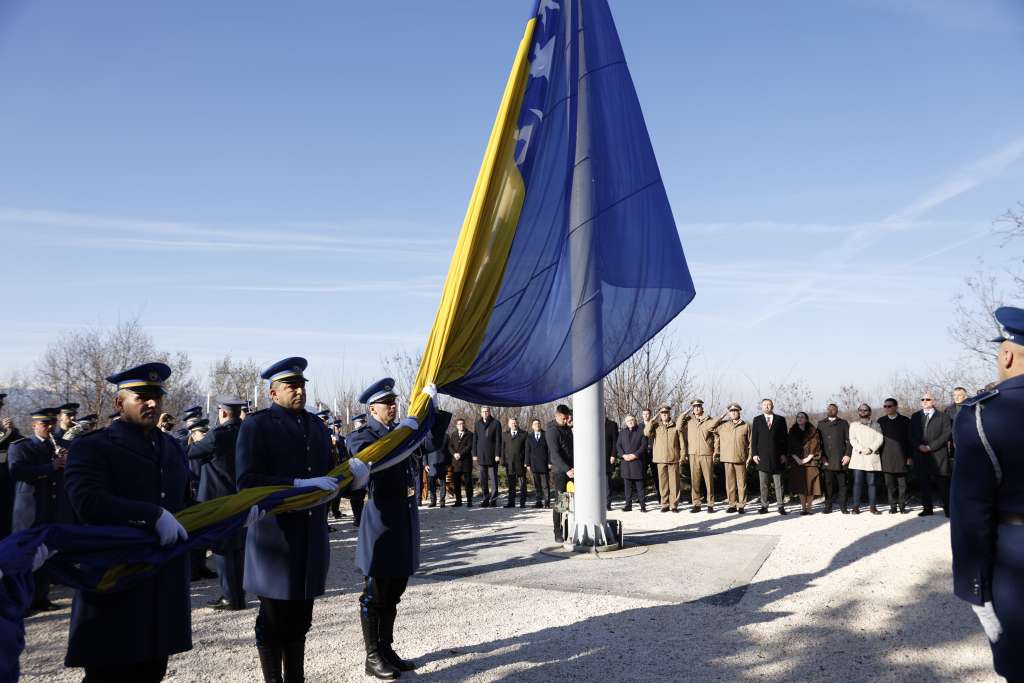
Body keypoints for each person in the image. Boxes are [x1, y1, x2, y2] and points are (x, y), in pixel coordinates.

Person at [63, 362, 193, 682]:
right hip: (116, 580)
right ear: (120, 403)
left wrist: (235, 515)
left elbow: (186, 506)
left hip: (161, 583)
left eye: (156, 397)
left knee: (152, 672)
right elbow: (87, 502)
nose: (152, 403)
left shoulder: (172, 447)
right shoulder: (93, 446)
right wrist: (152, 514)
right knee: (109, 674)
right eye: (141, 397)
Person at [236, 357, 348, 683]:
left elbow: (328, 475)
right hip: (275, 539)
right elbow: (246, 481)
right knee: (273, 620)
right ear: (273, 393)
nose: (299, 391)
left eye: (301, 385)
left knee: (300, 620)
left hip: (310, 537)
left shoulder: (316, 426)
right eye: (291, 386)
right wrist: (295, 485)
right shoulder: (257, 426)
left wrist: (351, 477)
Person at [950, 306, 1024, 682]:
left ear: (1007, 355)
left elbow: (970, 512)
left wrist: (974, 588)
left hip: (1016, 562)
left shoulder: (981, 414)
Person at [346, 378, 427, 680]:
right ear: (372, 409)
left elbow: (431, 443)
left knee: (395, 588)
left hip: (403, 517)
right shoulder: (362, 436)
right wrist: (404, 434)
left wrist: (431, 410)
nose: (392, 407)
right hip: (380, 519)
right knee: (375, 591)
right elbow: (375, 456)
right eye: (386, 403)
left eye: (394, 402)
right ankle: (372, 656)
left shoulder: (400, 432)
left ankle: (386, 649)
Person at [188, 396, 249, 610]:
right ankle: (239, 596)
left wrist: (195, 438)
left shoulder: (217, 435)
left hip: (218, 501)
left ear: (222, 413)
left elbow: (191, 453)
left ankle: (229, 597)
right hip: (242, 498)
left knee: (222, 548)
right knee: (238, 548)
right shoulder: (247, 432)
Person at [9, 406, 68, 612]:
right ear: (34, 425)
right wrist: (51, 467)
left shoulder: (57, 445)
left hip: (50, 508)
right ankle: (23, 602)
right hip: (30, 509)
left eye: (52, 423)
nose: (50, 427)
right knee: (27, 556)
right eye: (45, 424)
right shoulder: (21, 447)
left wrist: (65, 462)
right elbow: (17, 472)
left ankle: (42, 598)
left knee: (46, 554)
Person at [910, 392, 953, 517]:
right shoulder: (915, 416)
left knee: (943, 484)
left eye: (927, 399)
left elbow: (946, 434)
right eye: (922, 399)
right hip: (920, 455)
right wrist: (919, 446)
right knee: (924, 484)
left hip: (938, 455)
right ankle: (927, 509)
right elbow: (911, 435)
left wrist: (930, 447)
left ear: (933, 401)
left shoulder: (943, 416)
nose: (924, 401)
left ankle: (949, 510)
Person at [680, 399, 723, 513]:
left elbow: (716, 436)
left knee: (709, 480)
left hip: (706, 453)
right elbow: (678, 426)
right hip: (693, 454)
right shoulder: (689, 421)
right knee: (695, 481)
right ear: (692, 409)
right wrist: (685, 413)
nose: (697, 408)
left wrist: (716, 450)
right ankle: (696, 504)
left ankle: (710, 504)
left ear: (702, 408)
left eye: (698, 406)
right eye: (694, 407)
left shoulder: (708, 420)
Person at [751, 399, 788, 515]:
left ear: (772, 406)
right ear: (761, 407)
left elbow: (785, 438)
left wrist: (784, 454)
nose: (767, 406)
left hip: (778, 457)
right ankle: (764, 506)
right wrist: (754, 454)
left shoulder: (780, 420)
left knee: (779, 484)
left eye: (769, 404)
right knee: (763, 485)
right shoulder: (757, 420)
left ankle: (780, 506)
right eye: (764, 405)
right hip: (762, 458)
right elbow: (754, 439)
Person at [644, 404, 682, 513]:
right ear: (659, 415)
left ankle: (674, 505)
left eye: (666, 413)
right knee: (663, 483)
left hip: (673, 458)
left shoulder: (675, 426)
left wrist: (683, 455)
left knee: (674, 483)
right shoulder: (656, 426)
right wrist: (652, 420)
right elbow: (646, 433)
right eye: (662, 413)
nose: (664, 415)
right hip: (660, 459)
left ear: (669, 414)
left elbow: (681, 441)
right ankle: (664, 504)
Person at [877, 398, 912, 514]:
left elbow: (910, 440)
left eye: (889, 406)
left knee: (903, 484)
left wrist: (909, 456)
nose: (886, 408)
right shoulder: (880, 421)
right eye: (885, 406)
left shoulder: (905, 420)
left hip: (902, 457)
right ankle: (892, 506)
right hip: (886, 457)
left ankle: (902, 506)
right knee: (890, 485)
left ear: (896, 407)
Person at [849, 404, 884, 515]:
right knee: (857, 483)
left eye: (865, 410)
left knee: (872, 483)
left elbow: (880, 438)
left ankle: (873, 507)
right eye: (861, 410)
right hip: (858, 457)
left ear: (870, 412)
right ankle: (855, 507)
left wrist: (870, 449)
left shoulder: (876, 425)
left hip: (871, 456)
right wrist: (861, 449)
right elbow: (852, 439)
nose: (863, 411)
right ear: (858, 412)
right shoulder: (853, 425)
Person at [716, 403, 751, 513]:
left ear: (739, 412)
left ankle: (741, 505)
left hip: (740, 458)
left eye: (735, 411)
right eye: (731, 411)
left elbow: (751, 442)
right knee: (730, 484)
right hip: (727, 458)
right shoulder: (723, 426)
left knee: (741, 484)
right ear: (728, 413)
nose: (733, 413)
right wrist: (721, 417)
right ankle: (732, 504)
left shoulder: (746, 426)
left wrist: (749, 457)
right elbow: (710, 428)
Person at [818, 404, 852, 514]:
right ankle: (828, 507)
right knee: (828, 485)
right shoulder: (821, 424)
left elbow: (849, 440)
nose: (831, 410)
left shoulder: (843, 423)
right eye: (829, 408)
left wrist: (848, 455)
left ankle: (843, 507)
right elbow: (818, 443)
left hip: (840, 459)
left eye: (833, 409)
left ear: (837, 410)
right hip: (827, 459)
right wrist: (822, 456)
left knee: (843, 485)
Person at [787, 412, 821, 515]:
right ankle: (803, 508)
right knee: (800, 486)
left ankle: (809, 508)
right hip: (797, 462)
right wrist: (797, 459)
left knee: (811, 486)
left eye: (802, 417)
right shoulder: (792, 431)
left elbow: (816, 446)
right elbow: (789, 447)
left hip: (811, 462)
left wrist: (808, 458)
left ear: (806, 419)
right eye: (798, 417)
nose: (799, 418)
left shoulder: (813, 431)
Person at [0, 393, 22, 539]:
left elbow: (22, 444)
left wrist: (13, 431)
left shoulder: (4, 429)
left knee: (5, 522)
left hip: (5, 482)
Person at [616, 415, 646, 512]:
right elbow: (618, 445)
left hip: (637, 462)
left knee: (640, 486)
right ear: (626, 422)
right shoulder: (622, 432)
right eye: (628, 420)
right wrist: (623, 455)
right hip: (626, 463)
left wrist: (635, 455)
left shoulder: (641, 431)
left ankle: (642, 505)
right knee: (627, 487)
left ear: (635, 421)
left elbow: (643, 445)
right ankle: (628, 505)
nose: (630, 422)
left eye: (632, 420)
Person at [473, 407, 501, 507]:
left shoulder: (496, 423)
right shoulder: (477, 424)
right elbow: (475, 439)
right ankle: (485, 499)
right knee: (483, 479)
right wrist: (474, 454)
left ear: (489, 412)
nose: (485, 413)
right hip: (481, 455)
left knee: (493, 479)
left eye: (487, 411)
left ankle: (493, 500)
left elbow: (498, 440)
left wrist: (497, 454)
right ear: (481, 413)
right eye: (483, 411)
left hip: (492, 456)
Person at [345, 413, 369, 526]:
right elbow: (349, 451)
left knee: (366, 493)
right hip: (357, 466)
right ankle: (358, 517)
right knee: (357, 494)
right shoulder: (351, 436)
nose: (362, 424)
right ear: (355, 424)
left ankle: (363, 517)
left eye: (363, 422)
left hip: (369, 465)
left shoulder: (369, 432)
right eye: (360, 422)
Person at [546, 405, 574, 495]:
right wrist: (567, 469)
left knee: (572, 498)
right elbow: (554, 454)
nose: (565, 421)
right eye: (563, 419)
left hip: (571, 469)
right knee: (562, 499)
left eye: (567, 418)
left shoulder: (567, 428)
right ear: (556, 416)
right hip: (561, 471)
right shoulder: (552, 431)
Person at [500, 417, 528, 508]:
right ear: (509, 424)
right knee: (511, 484)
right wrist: (503, 461)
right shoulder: (504, 434)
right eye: (512, 423)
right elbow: (502, 449)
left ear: (518, 423)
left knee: (522, 484)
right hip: (509, 463)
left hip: (521, 463)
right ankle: (511, 503)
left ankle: (522, 503)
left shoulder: (524, 434)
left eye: (515, 423)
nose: (514, 425)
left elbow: (527, 450)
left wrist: (526, 462)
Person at [447, 418, 474, 507]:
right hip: (456, 463)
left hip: (466, 462)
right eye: (459, 424)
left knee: (468, 483)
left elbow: (469, 446)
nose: (461, 425)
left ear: (465, 424)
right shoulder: (454, 434)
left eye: (462, 424)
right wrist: (454, 454)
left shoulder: (470, 434)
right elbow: (450, 446)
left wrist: (460, 454)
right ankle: (458, 501)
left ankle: (469, 500)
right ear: (456, 425)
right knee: (456, 483)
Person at [525, 418, 550, 507]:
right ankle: (538, 502)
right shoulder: (529, 437)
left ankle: (547, 502)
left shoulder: (546, 435)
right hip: (534, 464)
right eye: (535, 424)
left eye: (538, 423)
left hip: (544, 463)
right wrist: (527, 463)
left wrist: (550, 462)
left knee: (545, 485)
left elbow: (549, 450)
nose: (537, 425)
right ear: (532, 426)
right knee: (537, 485)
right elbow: (527, 451)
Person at [424, 430, 450, 508]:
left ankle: (442, 501)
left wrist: (448, 464)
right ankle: (433, 501)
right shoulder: (428, 436)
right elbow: (425, 450)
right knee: (432, 484)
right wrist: (425, 464)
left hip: (442, 463)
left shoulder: (446, 436)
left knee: (442, 484)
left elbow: (448, 451)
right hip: (431, 464)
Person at [640, 408, 658, 501]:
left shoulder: (655, 425)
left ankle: (660, 496)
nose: (646, 415)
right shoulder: (639, 426)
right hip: (643, 453)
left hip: (654, 452)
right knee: (642, 475)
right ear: (642, 415)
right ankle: (641, 497)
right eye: (644, 414)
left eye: (647, 414)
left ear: (650, 415)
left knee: (656, 475)